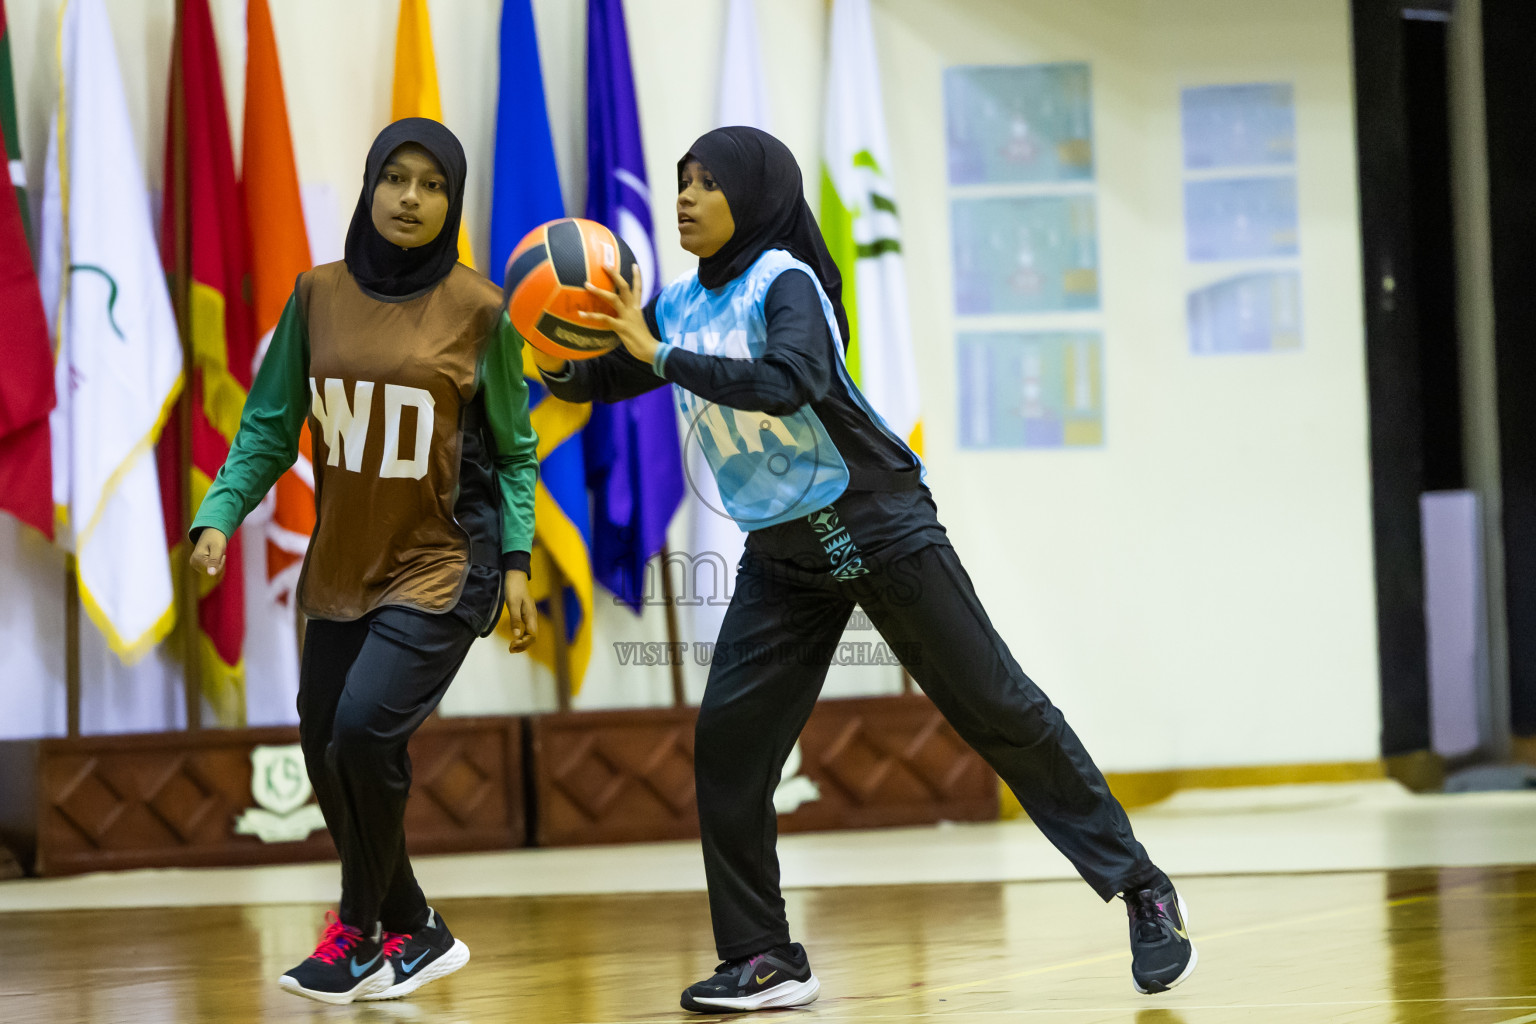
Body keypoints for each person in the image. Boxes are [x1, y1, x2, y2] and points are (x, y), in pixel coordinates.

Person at [532, 126, 1196, 1014]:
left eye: (705, 183)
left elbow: (792, 380)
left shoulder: (786, 283)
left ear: (753, 198)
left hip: (878, 530)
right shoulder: (683, 304)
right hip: (785, 557)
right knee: (727, 747)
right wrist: (541, 336)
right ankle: (764, 956)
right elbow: (600, 379)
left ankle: (1141, 888)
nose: (683, 197)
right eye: (680, 182)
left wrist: (656, 356)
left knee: (998, 708)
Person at [187, 118, 539, 1005]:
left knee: (364, 732)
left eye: (432, 185)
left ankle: (360, 934)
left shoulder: (483, 311)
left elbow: (518, 450)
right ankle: (418, 925)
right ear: (371, 186)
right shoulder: (314, 296)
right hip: (343, 568)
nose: (411, 198)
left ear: (452, 202)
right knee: (324, 746)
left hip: (445, 563)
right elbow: (268, 428)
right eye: (396, 179)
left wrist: (522, 562)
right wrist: (219, 517)